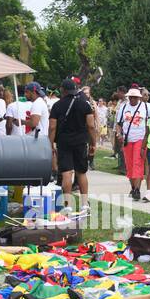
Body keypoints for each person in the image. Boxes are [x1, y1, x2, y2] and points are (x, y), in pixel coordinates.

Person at [49, 75, 97, 213]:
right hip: (81, 142)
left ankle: (68, 205)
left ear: (62, 90)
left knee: (66, 173)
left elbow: (52, 127)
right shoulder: (84, 104)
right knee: (81, 172)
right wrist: (93, 143)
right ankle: (84, 204)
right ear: (75, 90)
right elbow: (91, 126)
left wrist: (50, 144)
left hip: (64, 142)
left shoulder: (57, 106)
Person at [115, 87, 150, 199]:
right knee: (129, 165)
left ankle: (137, 190)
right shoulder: (124, 107)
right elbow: (118, 123)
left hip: (140, 138)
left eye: (135, 97)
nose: (133, 99)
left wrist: (147, 139)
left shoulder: (145, 107)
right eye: (131, 97)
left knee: (137, 163)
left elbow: (149, 123)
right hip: (127, 139)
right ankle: (133, 187)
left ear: (139, 98)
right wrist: (119, 134)